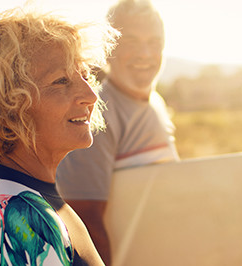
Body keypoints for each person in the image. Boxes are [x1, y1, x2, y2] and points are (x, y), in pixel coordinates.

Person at [0, 7, 117, 266]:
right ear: (8, 104)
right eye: (61, 81)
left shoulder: (29, 196)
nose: (91, 95)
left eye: (85, 76)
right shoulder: (20, 217)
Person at [56, 0, 179, 264]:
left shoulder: (155, 102)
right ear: (108, 49)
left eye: (154, 42)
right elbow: (84, 221)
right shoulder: (95, 114)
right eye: (131, 42)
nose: (145, 53)